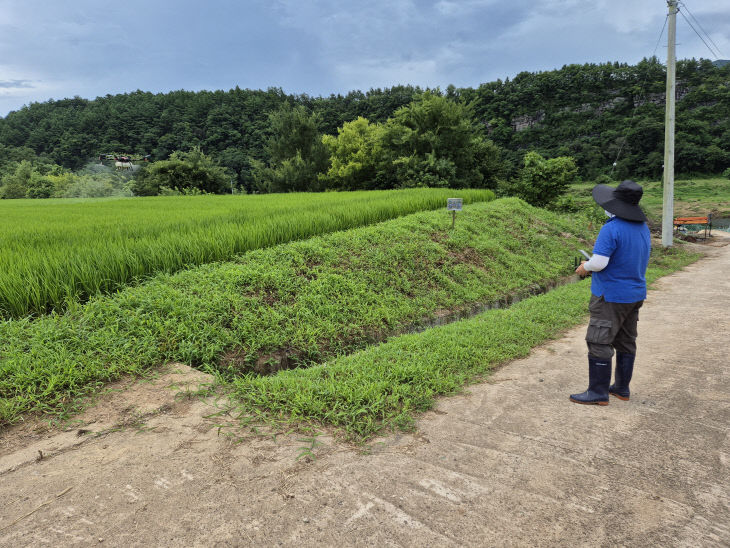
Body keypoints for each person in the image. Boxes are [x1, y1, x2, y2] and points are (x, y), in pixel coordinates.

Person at [570, 180, 651, 406]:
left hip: (610, 296)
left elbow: (599, 262)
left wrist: (584, 267)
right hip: (634, 294)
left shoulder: (611, 228)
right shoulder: (642, 227)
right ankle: (621, 388)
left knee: (599, 340)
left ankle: (597, 392)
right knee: (626, 341)